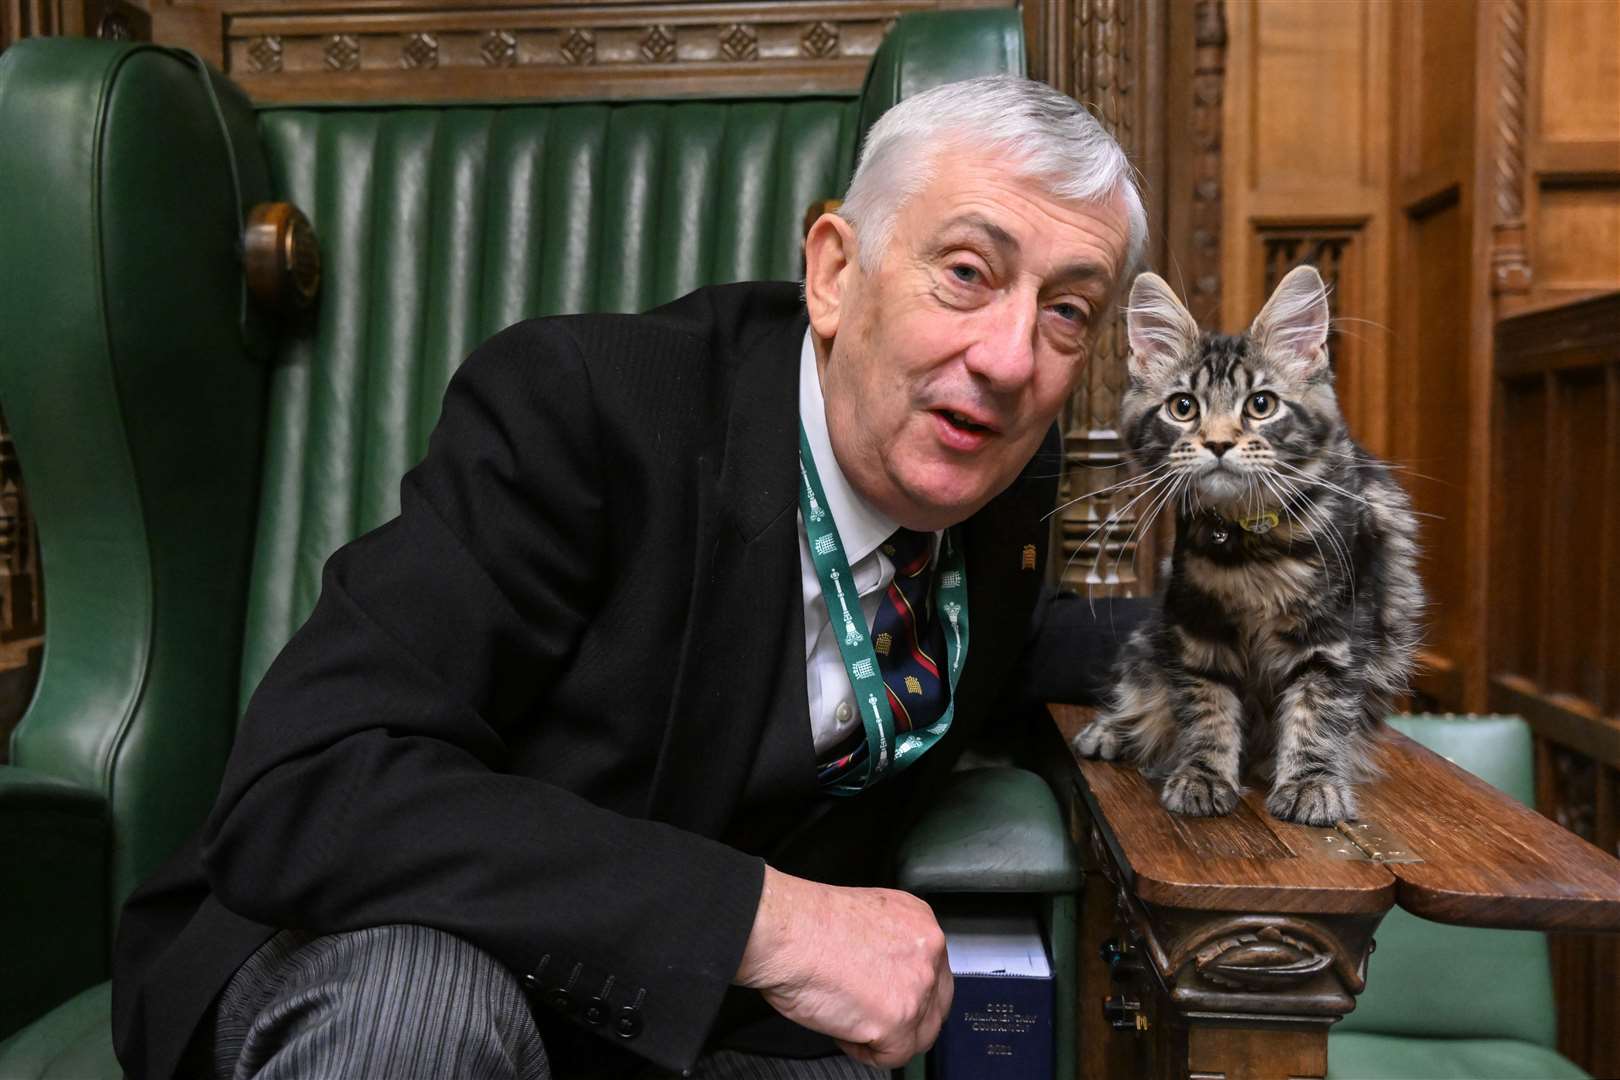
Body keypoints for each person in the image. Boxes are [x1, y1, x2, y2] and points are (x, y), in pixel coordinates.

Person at [111, 74, 1148, 1080]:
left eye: (1067, 311)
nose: (1013, 358)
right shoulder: (584, 408)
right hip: (386, 951)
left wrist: (1271, 638)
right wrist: (766, 921)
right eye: (967, 272)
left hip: (694, 1021)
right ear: (834, 272)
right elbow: (309, 788)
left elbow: (1005, 650)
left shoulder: (996, 476)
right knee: (422, 1006)